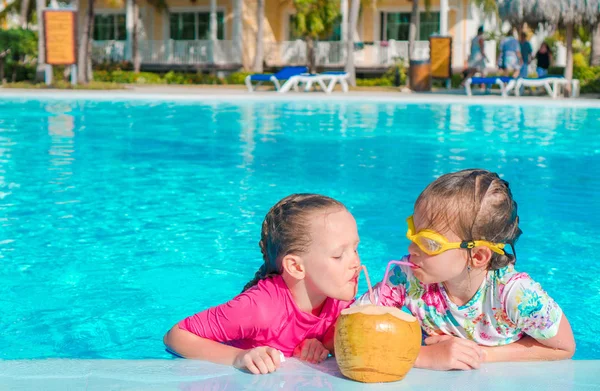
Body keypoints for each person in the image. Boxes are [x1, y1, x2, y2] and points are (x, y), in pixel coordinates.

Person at [356, 169, 575, 371]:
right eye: (413, 231)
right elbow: (353, 326)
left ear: (477, 256)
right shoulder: (408, 277)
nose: (411, 248)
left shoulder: (516, 295)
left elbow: (563, 348)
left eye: (429, 243)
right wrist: (422, 356)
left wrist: (479, 354)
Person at [163, 194, 361, 374]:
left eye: (355, 249)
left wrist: (321, 346)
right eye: (338, 255)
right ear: (296, 267)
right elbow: (176, 336)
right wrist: (238, 357)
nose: (356, 263)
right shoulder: (260, 308)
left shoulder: (340, 298)